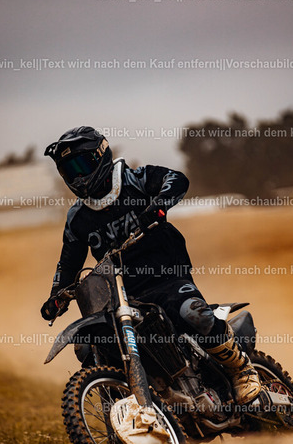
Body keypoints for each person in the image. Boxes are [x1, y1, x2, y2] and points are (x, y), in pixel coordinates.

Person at [41, 126, 261, 405]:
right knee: (88, 345)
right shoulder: (77, 218)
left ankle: (242, 370)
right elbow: (68, 263)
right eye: (69, 171)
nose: (78, 177)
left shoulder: (134, 179)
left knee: (192, 313)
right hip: (122, 294)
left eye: (81, 165)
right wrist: (56, 297)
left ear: (101, 155)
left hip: (167, 277)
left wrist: (158, 206)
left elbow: (177, 179)